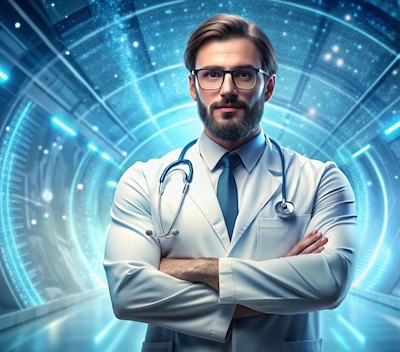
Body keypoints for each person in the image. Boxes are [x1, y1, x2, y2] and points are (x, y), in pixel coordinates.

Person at [104, 13, 357, 351]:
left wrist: (194, 269)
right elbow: (128, 294)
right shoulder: (144, 180)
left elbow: (331, 281)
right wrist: (280, 282)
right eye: (211, 75)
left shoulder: (322, 180)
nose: (227, 89)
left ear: (268, 86)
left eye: (243, 75)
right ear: (193, 86)